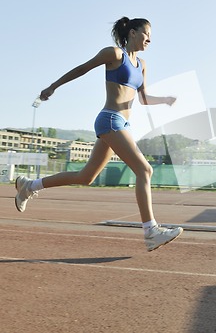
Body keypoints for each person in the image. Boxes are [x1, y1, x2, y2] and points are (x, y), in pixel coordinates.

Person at [14, 17, 183, 252]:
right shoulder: (114, 54)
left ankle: (29, 185)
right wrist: (53, 86)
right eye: (146, 34)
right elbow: (82, 68)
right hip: (110, 120)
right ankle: (151, 231)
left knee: (86, 177)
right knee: (145, 170)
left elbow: (143, 98)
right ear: (133, 33)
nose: (149, 39)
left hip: (123, 124)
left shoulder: (141, 64)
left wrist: (164, 100)